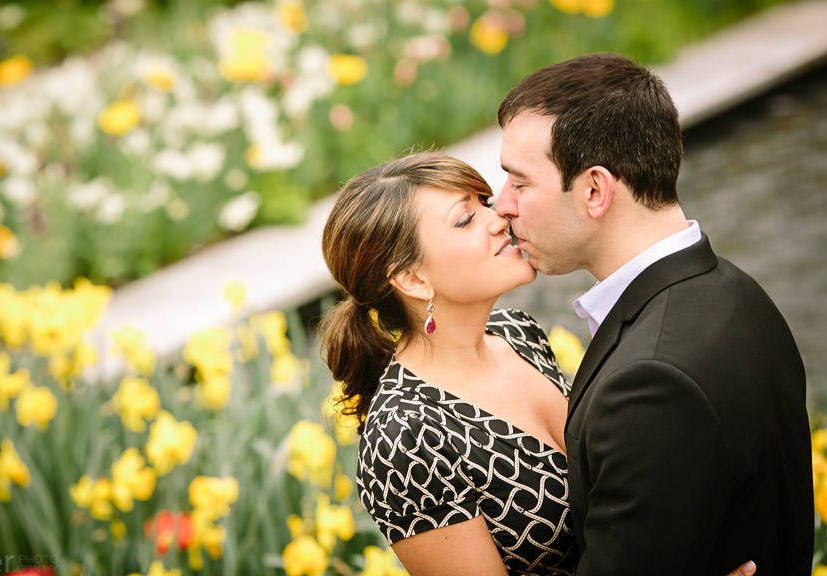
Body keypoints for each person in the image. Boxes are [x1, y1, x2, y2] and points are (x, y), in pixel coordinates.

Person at [319, 152, 760, 576]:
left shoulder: (517, 334)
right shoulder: (404, 438)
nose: (499, 219)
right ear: (412, 279)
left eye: (485, 203)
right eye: (465, 219)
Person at [493, 52, 813, 575]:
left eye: (520, 183)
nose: (503, 205)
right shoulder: (736, 290)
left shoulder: (649, 382)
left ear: (595, 190)